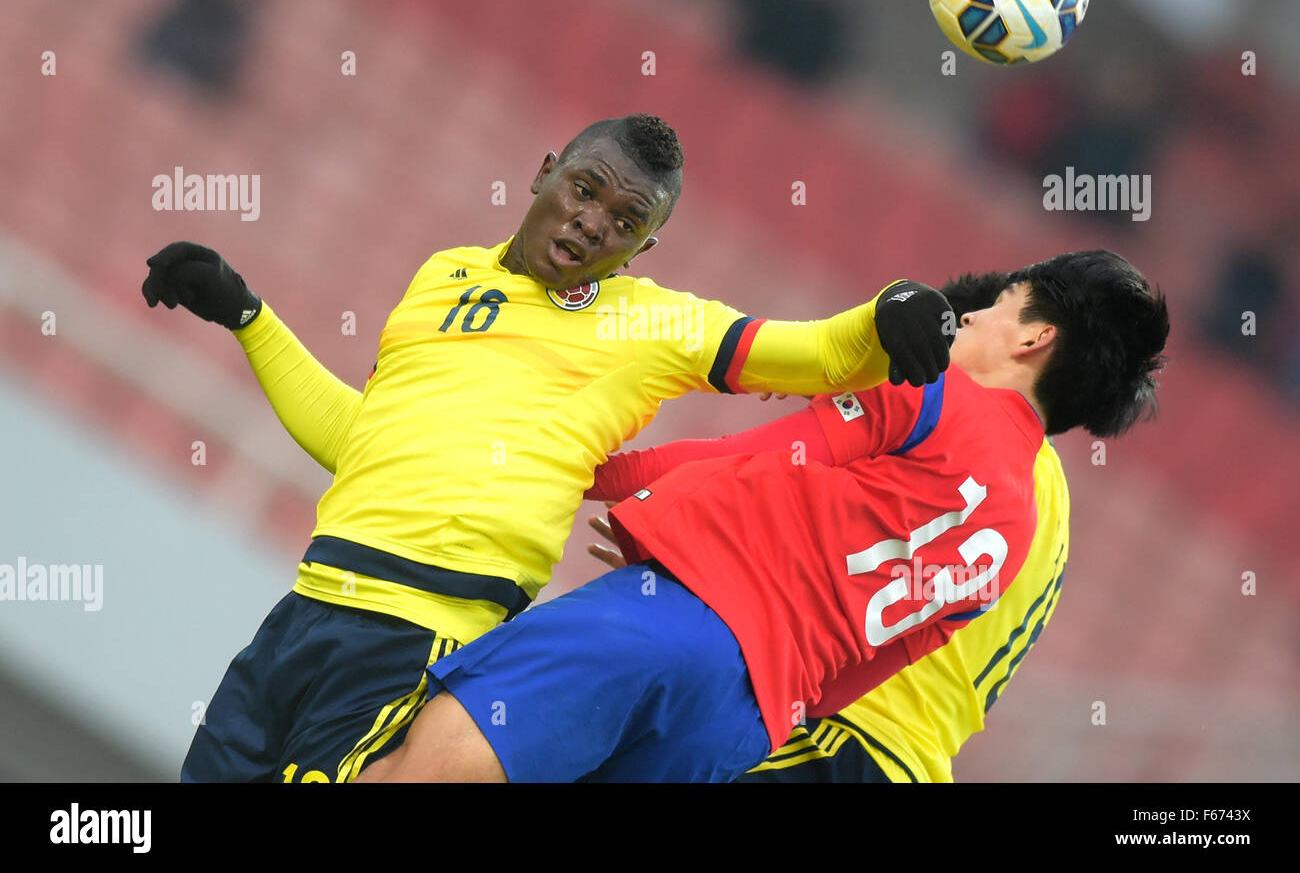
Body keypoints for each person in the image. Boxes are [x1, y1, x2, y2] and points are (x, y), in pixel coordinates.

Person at [140, 113, 954, 782]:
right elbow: (365, 444)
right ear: (543, 172)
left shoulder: (651, 322)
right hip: (304, 611)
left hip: (412, 633)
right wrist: (249, 317)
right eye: (585, 189)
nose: (593, 222)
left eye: (626, 221)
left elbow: (816, 351)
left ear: (642, 251)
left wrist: (894, 308)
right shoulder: (443, 275)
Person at [355, 250, 1169, 783]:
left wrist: (579, 470)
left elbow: (760, 453)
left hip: (670, 622)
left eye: (999, 304)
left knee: (419, 768)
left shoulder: (931, 390)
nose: (978, 316)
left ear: (1034, 337)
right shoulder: (1021, 527)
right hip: (742, 720)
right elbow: (865, 667)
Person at [584, 272, 1069, 782]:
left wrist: (571, 471)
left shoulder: (946, 415)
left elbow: (750, 460)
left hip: (832, 735)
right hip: (908, 763)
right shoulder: (1036, 497)